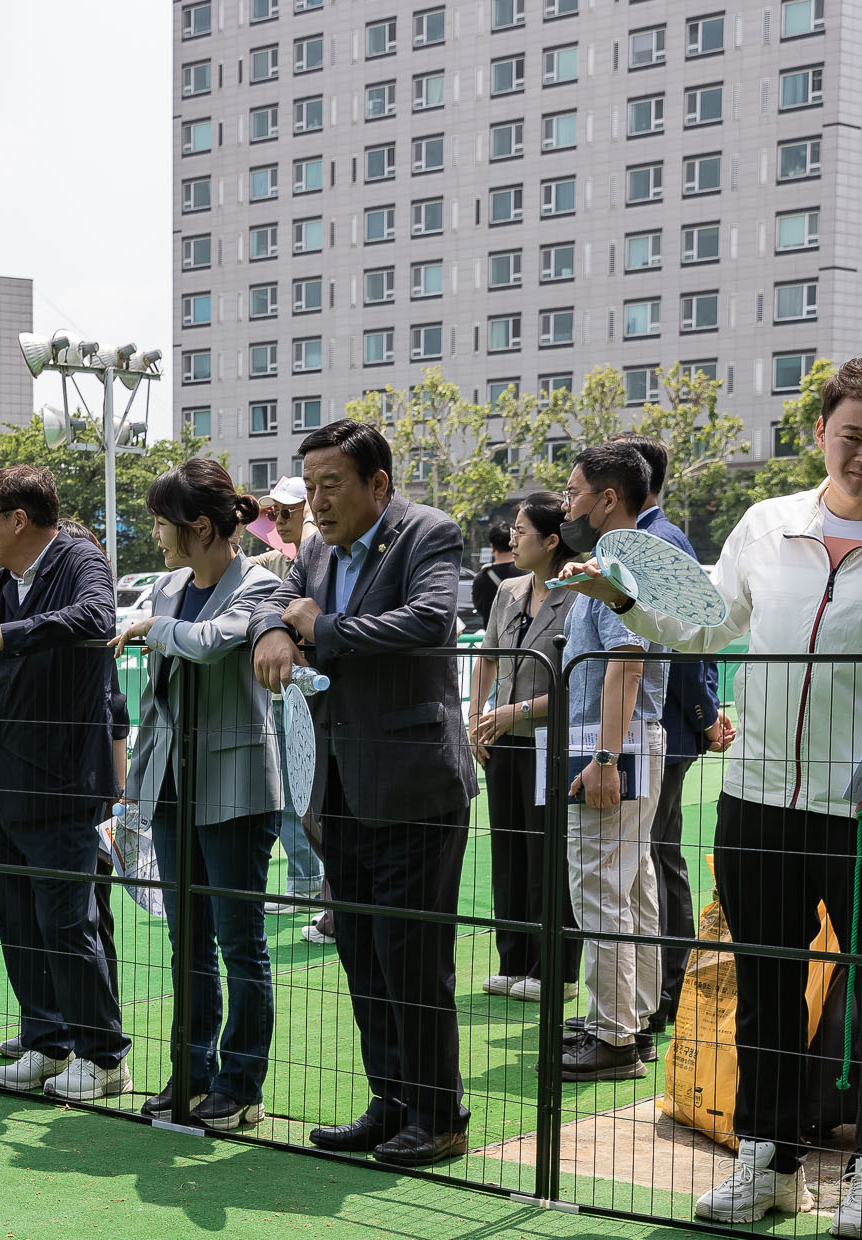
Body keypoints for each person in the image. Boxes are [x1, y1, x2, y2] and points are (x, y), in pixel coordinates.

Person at [561, 357, 862, 1240]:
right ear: (822, 432)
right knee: (765, 984)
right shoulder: (768, 523)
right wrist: (627, 600)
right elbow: (711, 623)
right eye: (851, 435)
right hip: (757, 795)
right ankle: (770, 1160)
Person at [250, 419, 476, 1166]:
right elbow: (270, 597)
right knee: (362, 953)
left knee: (411, 956)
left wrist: (325, 627)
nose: (315, 502)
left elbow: (428, 620)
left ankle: (439, 1114)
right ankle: (392, 1101)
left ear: (378, 483)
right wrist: (271, 634)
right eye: (308, 486)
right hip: (338, 782)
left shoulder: (428, 533)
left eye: (330, 485)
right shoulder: (311, 549)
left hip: (414, 784)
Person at [0, 465, 129, 1102]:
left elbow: (95, 617)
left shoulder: (79, 558)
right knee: (20, 918)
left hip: (63, 778)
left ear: (18, 519)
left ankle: (104, 1056)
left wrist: (6, 637)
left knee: (68, 921)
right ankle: (48, 1041)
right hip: (2, 778)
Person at [113, 459, 284, 1129]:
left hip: (238, 787)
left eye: (162, 524)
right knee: (187, 940)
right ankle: (191, 1072)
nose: (156, 536)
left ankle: (241, 1083)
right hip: (171, 787)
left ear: (202, 527)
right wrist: (136, 787)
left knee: (239, 941)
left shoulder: (261, 583)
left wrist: (154, 630)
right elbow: (158, 699)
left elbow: (213, 644)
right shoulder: (168, 584)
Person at [549, 443, 671, 1082]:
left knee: (601, 887)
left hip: (614, 742)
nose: (567, 504)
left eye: (574, 493)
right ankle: (633, 1018)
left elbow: (628, 663)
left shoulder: (620, 564)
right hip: (626, 740)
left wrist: (604, 756)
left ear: (608, 498)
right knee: (631, 883)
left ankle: (614, 1034)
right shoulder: (626, 558)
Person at [612, 434, 730, 1039]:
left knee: (656, 859)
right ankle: (657, 986)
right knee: (651, 858)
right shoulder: (651, 539)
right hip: (666, 723)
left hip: (664, 725)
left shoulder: (658, 544)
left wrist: (706, 713)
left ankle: (667, 985)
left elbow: (686, 642)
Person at [466, 493, 579, 1005]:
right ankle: (512, 961)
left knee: (545, 853)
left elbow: (577, 682)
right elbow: (486, 658)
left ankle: (552, 967)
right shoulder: (508, 589)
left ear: (551, 541)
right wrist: (476, 717)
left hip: (548, 743)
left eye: (521, 531)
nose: (512, 538)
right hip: (501, 742)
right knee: (508, 849)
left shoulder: (578, 595)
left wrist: (517, 712)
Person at [247, 476, 327, 925]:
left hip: (314, 694)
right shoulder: (280, 558)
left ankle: (313, 884)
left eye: (285, 510)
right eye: (272, 512)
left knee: (309, 790)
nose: (276, 519)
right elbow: (235, 565)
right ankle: (306, 880)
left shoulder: (318, 551)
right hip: (289, 692)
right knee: (295, 789)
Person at [470, 517, 522, 631]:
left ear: (492, 546)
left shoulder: (481, 578)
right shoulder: (527, 572)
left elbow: (481, 610)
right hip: (522, 640)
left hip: (494, 641)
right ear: (513, 542)